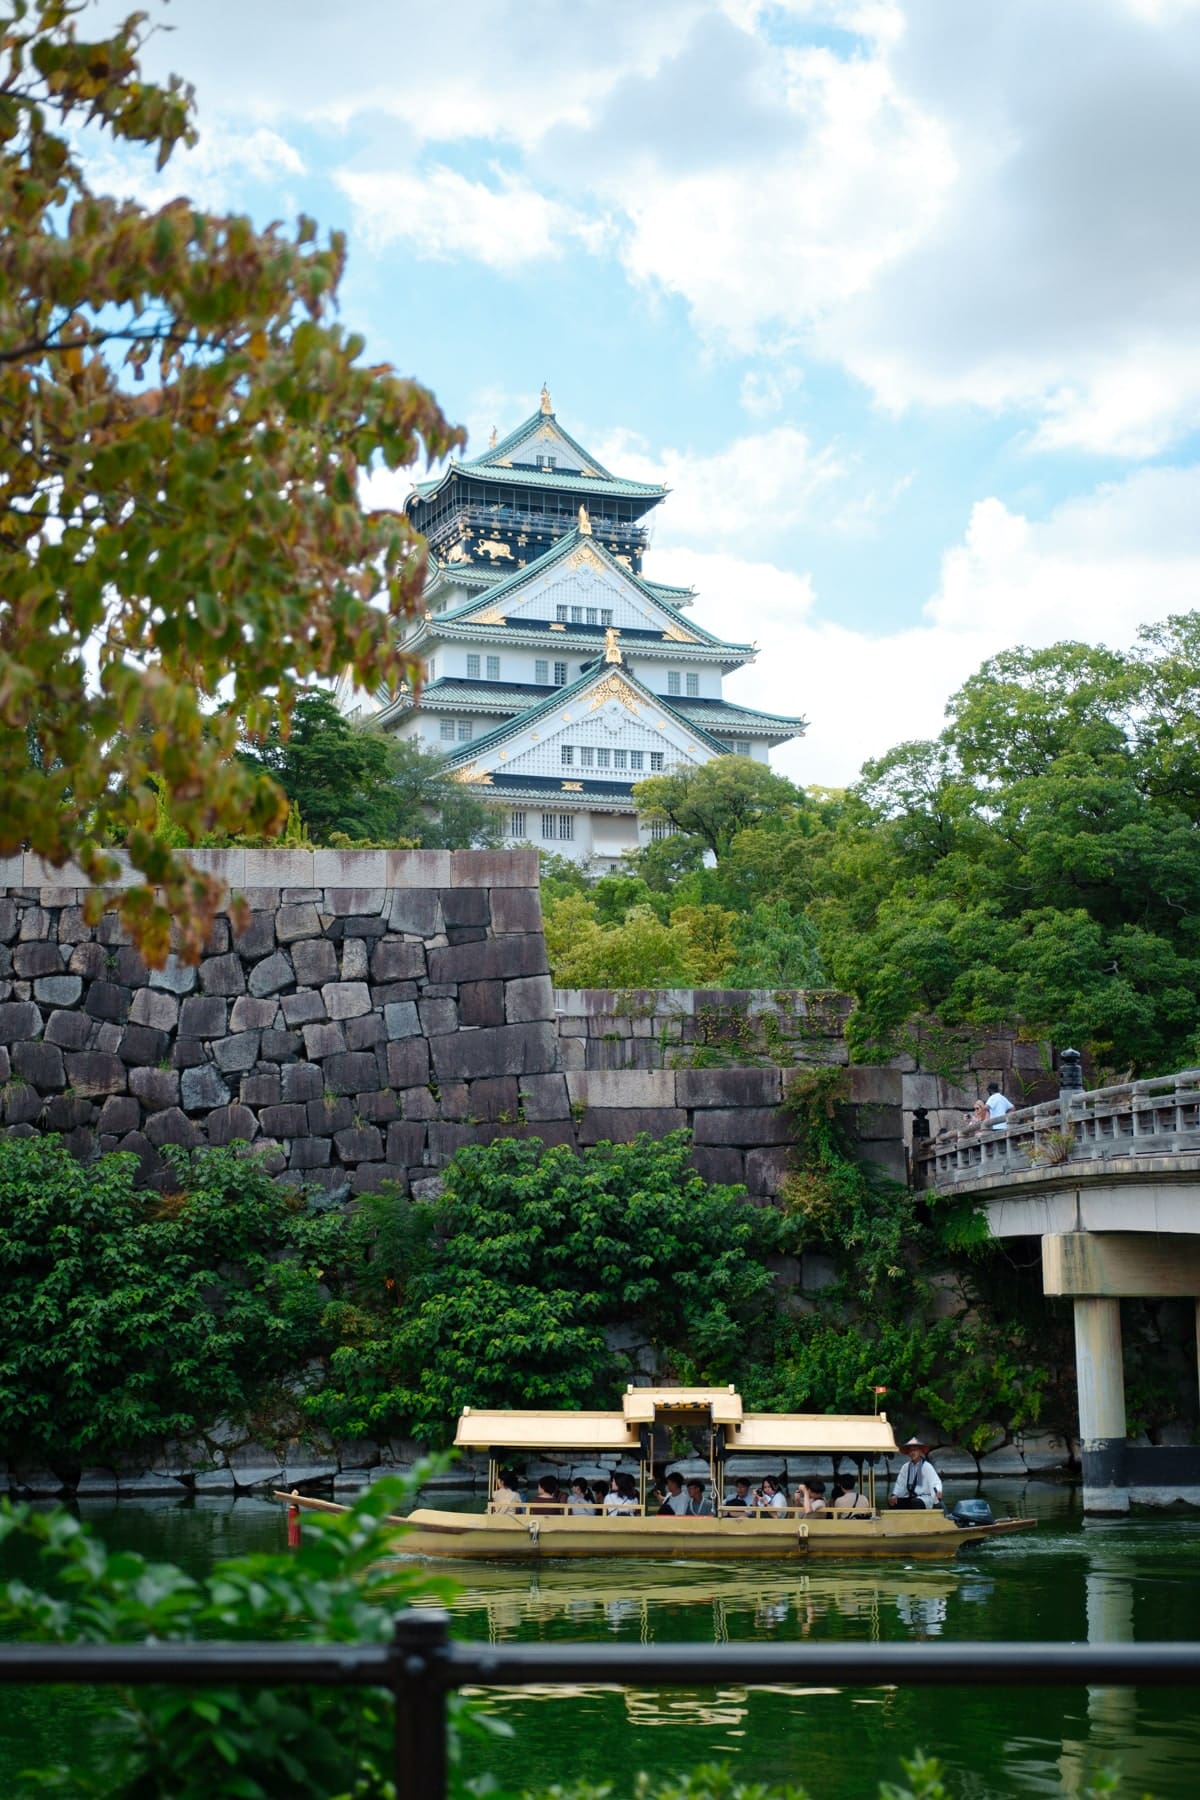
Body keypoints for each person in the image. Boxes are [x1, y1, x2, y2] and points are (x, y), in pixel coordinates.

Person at [889, 1438, 942, 1510]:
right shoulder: (905, 1467)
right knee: (894, 1502)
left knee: (915, 1502)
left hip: (924, 1498)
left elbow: (935, 1482)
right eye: (910, 1450)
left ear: (920, 1452)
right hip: (910, 1497)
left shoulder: (927, 1466)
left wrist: (938, 1491)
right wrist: (895, 1495)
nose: (912, 1452)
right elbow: (900, 1484)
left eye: (915, 1450)